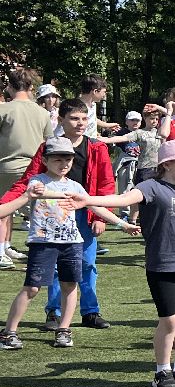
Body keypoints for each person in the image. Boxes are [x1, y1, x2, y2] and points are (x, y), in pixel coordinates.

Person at [67, 140, 175, 387]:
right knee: (170, 320)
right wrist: (89, 199)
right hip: (163, 264)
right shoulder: (150, 186)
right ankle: (162, 371)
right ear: (167, 164)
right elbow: (124, 200)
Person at [0, 138, 136, 350]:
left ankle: (64, 329)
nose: (64, 164)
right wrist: (67, 196)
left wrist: (121, 224)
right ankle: (9, 332)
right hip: (43, 243)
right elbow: (38, 193)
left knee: (70, 285)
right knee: (32, 288)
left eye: (68, 159)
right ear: (45, 160)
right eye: (57, 159)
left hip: (71, 243)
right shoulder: (37, 181)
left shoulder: (75, 186)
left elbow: (93, 205)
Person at [4, 98, 118, 331]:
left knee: (87, 264)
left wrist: (100, 217)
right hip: (52, 216)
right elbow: (28, 181)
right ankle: (53, 313)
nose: (80, 123)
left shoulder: (96, 147)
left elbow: (106, 184)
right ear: (61, 120)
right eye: (74, 118)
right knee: (56, 268)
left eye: (84, 118)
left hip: (85, 213)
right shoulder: (47, 147)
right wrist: (6, 203)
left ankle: (90, 312)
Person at [0, 68, 53, 269]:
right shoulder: (42, 112)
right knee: (32, 212)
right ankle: (6, 246)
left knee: (4, 210)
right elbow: (49, 142)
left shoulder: (3, 109)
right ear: (31, 87)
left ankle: (2, 250)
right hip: (35, 169)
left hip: (7, 166)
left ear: (10, 87)